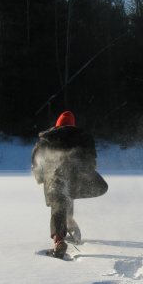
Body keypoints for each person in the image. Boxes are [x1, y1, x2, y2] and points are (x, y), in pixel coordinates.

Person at [31, 110, 108, 258]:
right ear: (72, 125)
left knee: (58, 203)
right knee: (67, 193)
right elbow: (91, 162)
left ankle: (59, 241)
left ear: (57, 125)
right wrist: (84, 175)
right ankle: (69, 220)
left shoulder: (46, 138)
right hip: (75, 177)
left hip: (53, 177)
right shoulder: (82, 137)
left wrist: (40, 178)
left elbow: (36, 162)